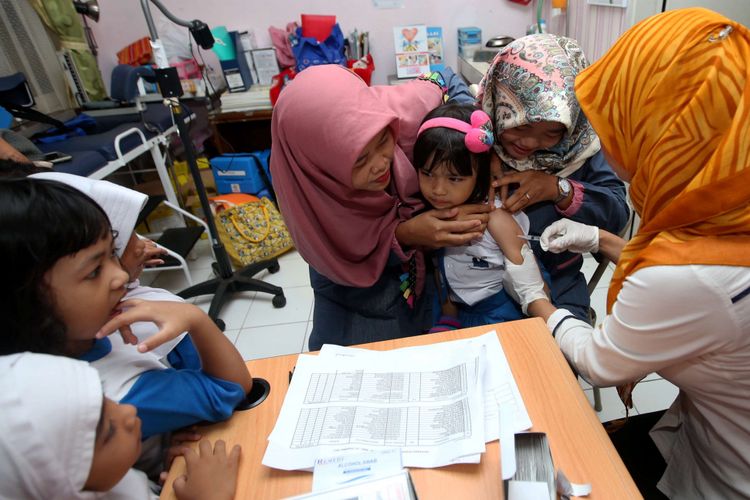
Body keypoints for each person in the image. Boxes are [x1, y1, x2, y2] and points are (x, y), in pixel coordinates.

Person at [502, 8, 750, 498]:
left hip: (723, 476)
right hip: (703, 426)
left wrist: (534, 297)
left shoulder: (687, 282)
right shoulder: (725, 192)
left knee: (552, 465)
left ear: (662, 131)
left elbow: (599, 361)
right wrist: (603, 242)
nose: (601, 139)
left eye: (616, 120)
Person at [0, 177, 252, 463]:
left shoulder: (68, 344)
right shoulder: (121, 394)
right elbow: (232, 387)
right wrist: (196, 319)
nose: (119, 276)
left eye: (112, 254)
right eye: (95, 270)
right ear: (24, 302)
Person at [271, 65, 491, 350]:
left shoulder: (400, 112)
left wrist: (474, 151)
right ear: (319, 165)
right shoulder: (306, 194)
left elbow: (442, 75)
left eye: (384, 139)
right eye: (359, 161)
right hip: (353, 289)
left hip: (425, 280)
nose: (381, 164)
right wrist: (405, 235)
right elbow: (339, 257)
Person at [478, 34, 630, 322]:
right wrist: (486, 149)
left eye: (552, 132)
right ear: (500, 103)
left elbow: (617, 214)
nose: (531, 143)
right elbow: (440, 82)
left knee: (553, 360)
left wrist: (558, 189)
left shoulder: (579, 147)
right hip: (476, 288)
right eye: (521, 125)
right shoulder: (474, 132)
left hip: (558, 287)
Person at [0, 351, 240, 500]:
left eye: (106, 400)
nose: (128, 411)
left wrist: (163, 483)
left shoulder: (107, 478)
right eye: (108, 430)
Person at [413, 102, 528, 327]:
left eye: (454, 178)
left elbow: (530, 284)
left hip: (503, 313)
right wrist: (448, 318)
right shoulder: (426, 217)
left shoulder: (495, 218)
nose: (438, 190)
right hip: (453, 310)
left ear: (481, 173)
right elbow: (441, 270)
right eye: (427, 174)